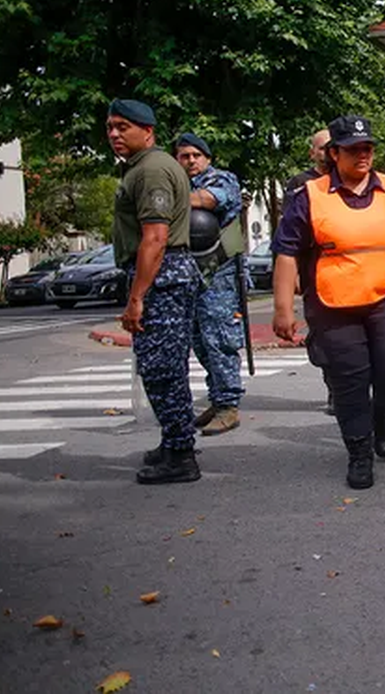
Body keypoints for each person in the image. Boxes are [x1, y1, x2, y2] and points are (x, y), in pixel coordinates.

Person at [272, 115, 385, 490]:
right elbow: (286, 252)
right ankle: (359, 451)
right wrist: (283, 308)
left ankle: (382, 417)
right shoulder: (309, 196)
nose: (363, 155)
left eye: (367, 147)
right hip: (333, 304)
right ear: (334, 154)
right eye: (352, 149)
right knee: (349, 378)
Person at [107, 99, 203, 485]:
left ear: (147, 131)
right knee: (166, 366)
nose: (114, 133)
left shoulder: (152, 171)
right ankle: (174, 441)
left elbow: (155, 238)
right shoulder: (145, 167)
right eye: (111, 127)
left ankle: (180, 455)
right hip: (164, 278)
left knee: (162, 370)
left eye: (123, 126)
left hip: (162, 280)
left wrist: (136, 297)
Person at [174, 132, 246, 435]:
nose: (191, 161)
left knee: (220, 340)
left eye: (196, 155)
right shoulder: (181, 184)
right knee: (199, 341)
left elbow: (209, 201)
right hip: (190, 273)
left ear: (207, 158)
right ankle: (217, 399)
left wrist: (169, 198)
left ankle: (229, 405)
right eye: (184, 156)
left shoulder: (221, 180)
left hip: (219, 274)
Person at [282, 128, 336, 415]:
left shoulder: (349, 178)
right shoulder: (300, 185)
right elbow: (291, 237)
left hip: (347, 272)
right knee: (325, 334)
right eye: (322, 147)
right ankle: (335, 388)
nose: (328, 152)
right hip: (314, 272)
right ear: (312, 153)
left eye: (332, 146)